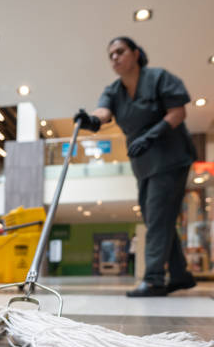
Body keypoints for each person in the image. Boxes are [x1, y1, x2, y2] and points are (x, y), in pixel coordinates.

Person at [74, 36, 197, 297]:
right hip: (143, 163)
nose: (115, 58)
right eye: (111, 55)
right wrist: (90, 120)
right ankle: (180, 274)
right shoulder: (113, 91)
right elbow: (103, 113)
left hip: (170, 156)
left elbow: (178, 113)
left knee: (157, 214)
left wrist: (150, 136)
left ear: (136, 53)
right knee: (156, 216)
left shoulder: (159, 77)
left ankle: (153, 280)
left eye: (120, 51)